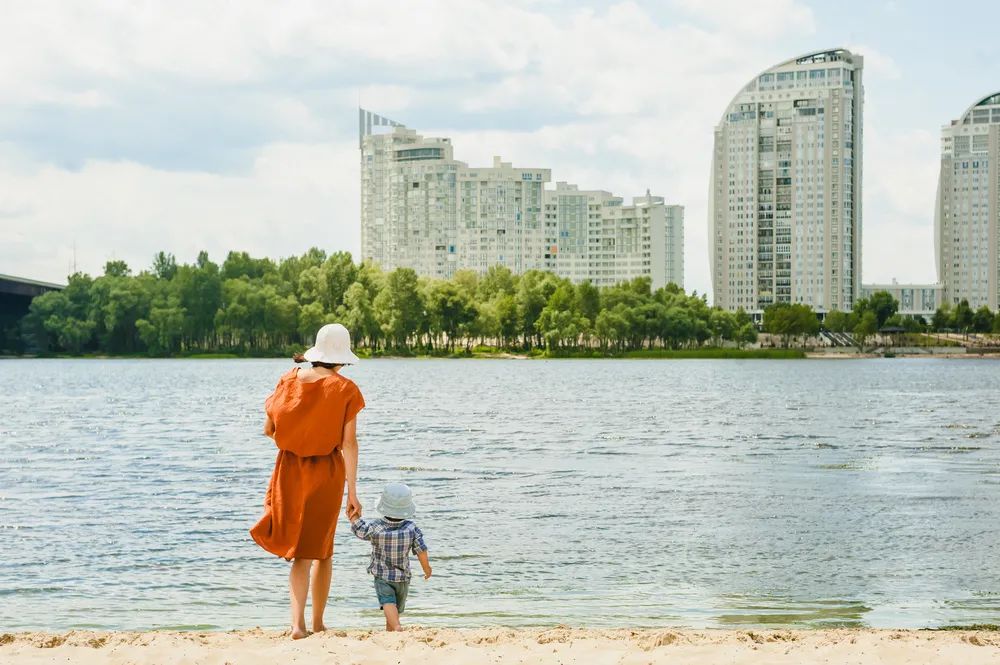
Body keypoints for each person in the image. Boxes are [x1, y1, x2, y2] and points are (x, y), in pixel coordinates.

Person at [250, 323, 365, 640]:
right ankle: (317, 623)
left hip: (288, 471)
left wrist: (298, 439)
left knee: (300, 551)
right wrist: (353, 492)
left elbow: (268, 430)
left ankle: (296, 625)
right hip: (326, 473)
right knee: (322, 551)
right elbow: (349, 444)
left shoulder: (288, 380)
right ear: (342, 357)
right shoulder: (345, 389)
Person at [349, 483, 431, 632]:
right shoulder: (411, 528)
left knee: (387, 603)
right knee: (395, 609)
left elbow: (360, 530)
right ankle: (391, 631)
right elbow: (421, 550)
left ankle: (397, 628)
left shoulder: (376, 527)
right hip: (403, 577)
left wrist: (354, 515)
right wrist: (427, 569)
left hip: (383, 576)